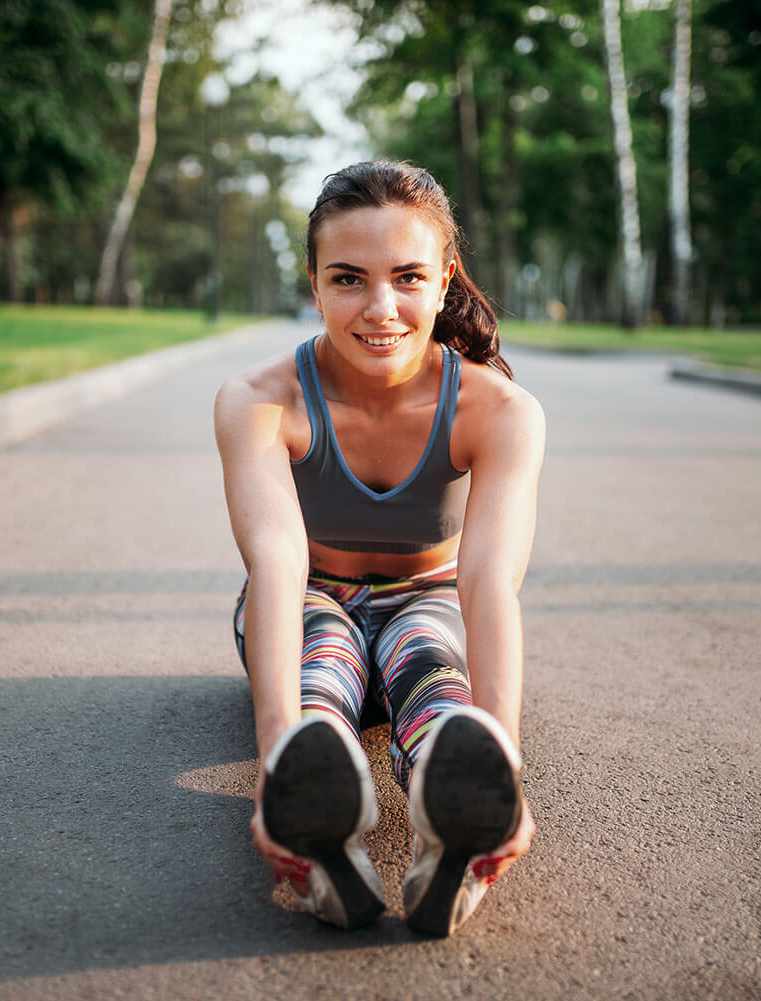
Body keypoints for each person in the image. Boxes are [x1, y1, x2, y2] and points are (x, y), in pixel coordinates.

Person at [213, 160, 544, 936]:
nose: (380, 308)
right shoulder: (259, 399)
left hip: (426, 601)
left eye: (407, 276)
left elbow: (489, 585)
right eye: (349, 279)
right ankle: (311, 787)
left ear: (444, 279)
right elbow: (276, 564)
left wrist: (507, 761)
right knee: (321, 649)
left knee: (426, 646)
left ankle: (459, 808)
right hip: (306, 597)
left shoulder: (500, 410)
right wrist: (272, 760)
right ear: (315, 281)